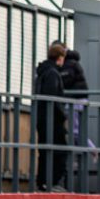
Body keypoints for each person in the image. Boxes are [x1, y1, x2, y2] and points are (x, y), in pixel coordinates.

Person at [33, 41, 70, 191]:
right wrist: (63, 115)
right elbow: (53, 98)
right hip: (52, 119)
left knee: (45, 150)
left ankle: (43, 181)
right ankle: (52, 182)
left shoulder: (42, 72)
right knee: (60, 150)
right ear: (60, 57)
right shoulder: (53, 73)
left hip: (42, 117)